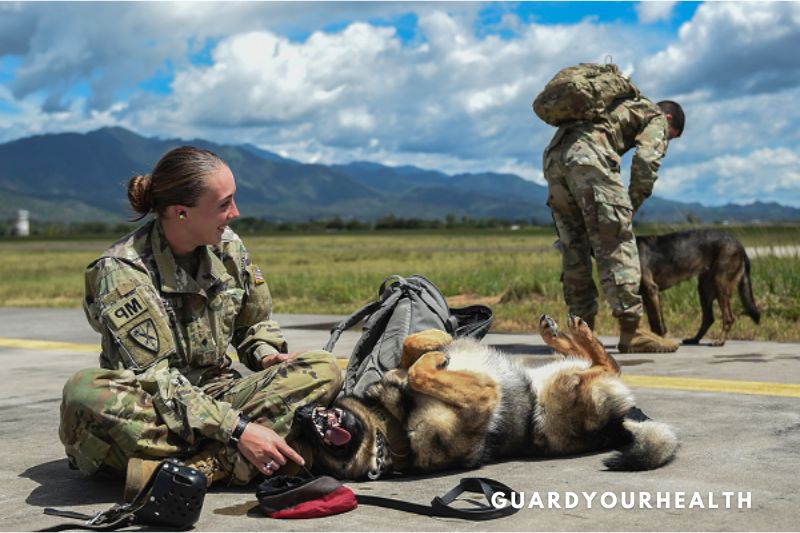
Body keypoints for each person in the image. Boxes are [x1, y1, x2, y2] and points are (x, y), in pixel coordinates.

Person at [59, 146, 343, 501]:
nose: (235, 213)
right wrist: (238, 429)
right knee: (84, 391)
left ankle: (203, 467)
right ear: (181, 213)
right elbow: (157, 381)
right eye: (224, 204)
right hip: (155, 412)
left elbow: (253, 324)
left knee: (324, 368)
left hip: (220, 395)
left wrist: (266, 356)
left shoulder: (229, 249)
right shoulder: (122, 271)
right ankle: (258, 448)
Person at [543, 95, 685, 353]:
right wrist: (631, 204)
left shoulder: (612, 107)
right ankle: (633, 332)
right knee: (617, 244)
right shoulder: (654, 116)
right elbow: (645, 162)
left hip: (555, 158)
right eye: (671, 137)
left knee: (574, 249)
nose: (667, 141)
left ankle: (579, 335)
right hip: (589, 159)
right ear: (668, 119)